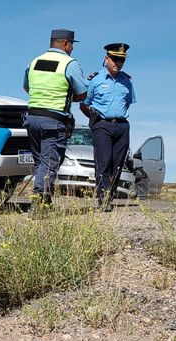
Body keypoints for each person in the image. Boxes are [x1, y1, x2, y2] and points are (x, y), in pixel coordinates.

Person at [23, 29, 88, 206]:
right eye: (72, 44)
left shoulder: (34, 62)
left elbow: (27, 88)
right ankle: (39, 203)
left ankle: (46, 199)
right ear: (66, 44)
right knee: (50, 162)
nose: (72, 48)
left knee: (40, 162)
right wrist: (68, 96)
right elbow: (82, 94)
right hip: (53, 120)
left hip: (32, 118)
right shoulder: (70, 63)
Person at [80, 43, 136, 210]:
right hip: (102, 125)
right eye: (115, 59)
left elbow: (127, 103)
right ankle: (103, 198)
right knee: (103, 163)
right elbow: (84, 104)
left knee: (118, 164)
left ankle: (110, 196)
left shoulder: (127, 81)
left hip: (122, 126)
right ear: (106, 59)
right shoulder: (95, 80)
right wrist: (94, 120)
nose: (118, 63)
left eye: (121, 60)